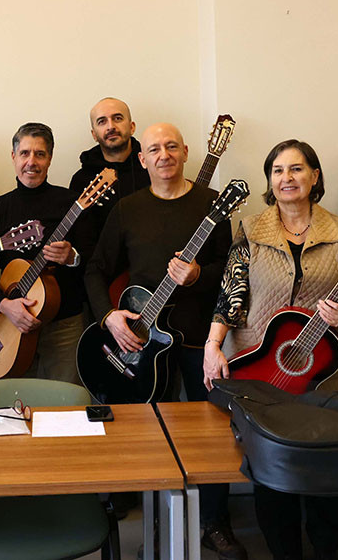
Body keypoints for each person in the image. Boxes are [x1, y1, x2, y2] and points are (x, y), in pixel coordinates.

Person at [85, 123, 243, 559]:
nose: (163, 154)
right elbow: (95, 269)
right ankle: (155, 518)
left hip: (199, 340)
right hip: (142, 342)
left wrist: (198, 274)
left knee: (214, 431)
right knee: (146, 431)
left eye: (171, 146)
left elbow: (233, 269)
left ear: (186, 151)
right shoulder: (128, 209)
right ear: (142, 159)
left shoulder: (212, 203)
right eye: (154, 148)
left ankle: (215, 521)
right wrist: (109, 316)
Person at [205, 140, 338, 560]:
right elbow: (231, 292)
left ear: (314, 176)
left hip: (323, 370)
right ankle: (283, 551)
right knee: (272, 467)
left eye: (296, 169)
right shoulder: (251, 229)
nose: (286, 178)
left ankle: (327, 548)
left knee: (326, 467)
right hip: (262, 367)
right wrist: (213, 345)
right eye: (277, 170)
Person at [0, 123, 96, 383]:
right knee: (10, 401)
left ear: (50, 158)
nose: (31, 162)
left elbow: (95, 262)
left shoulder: (73, 204)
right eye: (25, 153)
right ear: (13, 156)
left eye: (40, 154)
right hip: (7, 323)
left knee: (65, 400)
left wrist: (72, 258)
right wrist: (5, 306)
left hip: (64, 324)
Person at [69, 97, 150, 234]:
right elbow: (80, 235)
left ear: (132, 127)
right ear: (94, 135)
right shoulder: (81, 180)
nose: (111, 126)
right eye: (102, 121)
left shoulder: (153, 168)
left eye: (117, 118)